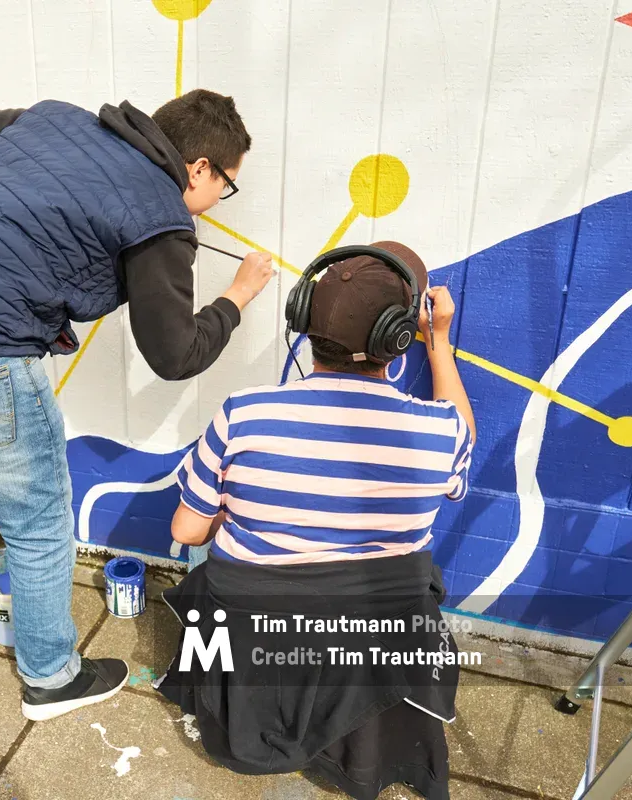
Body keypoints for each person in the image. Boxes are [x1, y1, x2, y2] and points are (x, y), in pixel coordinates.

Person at [0, 89, 275, 722]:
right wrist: (237, 296)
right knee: (40, 519)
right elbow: (175, 355)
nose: (217, 203)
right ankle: (50, 678)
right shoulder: (161, 217)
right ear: (201, 168)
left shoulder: (58, 119)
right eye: (226, 187)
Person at [159, 242, 475, 799]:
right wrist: (441, 341)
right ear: (399, 337)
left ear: (302, 319)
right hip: (368, 645)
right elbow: (462, 433)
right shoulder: (437, 434)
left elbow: (185, 531)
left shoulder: (245, 413)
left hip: (257, 640)